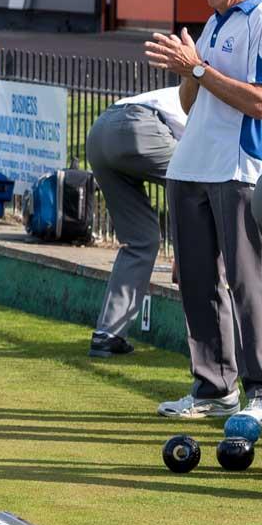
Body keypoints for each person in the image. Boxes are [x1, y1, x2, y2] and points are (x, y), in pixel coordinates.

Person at [143, 0, 262, 424]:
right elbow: (189, 102)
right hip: (192, 167)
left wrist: (198, 68)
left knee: (248, 284)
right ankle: (213, 387)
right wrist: (189, 70)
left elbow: (261, 101)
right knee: (197, 284)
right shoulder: (214, 22)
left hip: (238, 168)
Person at [83, 88, 184, 358]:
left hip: (100, 132)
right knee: (198, 183)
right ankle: (211, 342)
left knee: (142, 241)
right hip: (140, 125)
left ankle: (108, 334)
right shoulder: (226, 103)